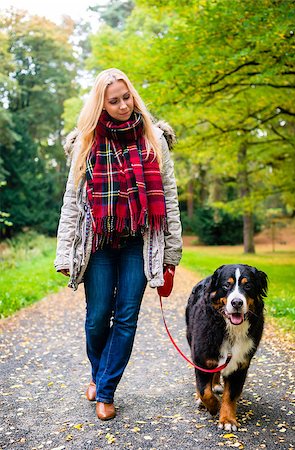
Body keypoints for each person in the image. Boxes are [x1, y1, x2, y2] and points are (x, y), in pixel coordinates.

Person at [54, 68, 182, 421]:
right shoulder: (87, 142)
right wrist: (65, 251)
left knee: (125, 317)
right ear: (101, 105)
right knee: (97, 318)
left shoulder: (153, 137)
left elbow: (168, 197)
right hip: (97, 242)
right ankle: (98, 375)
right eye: (114, 101)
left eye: (127, 97)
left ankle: (105, 390)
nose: (123, 105)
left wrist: (171, 254)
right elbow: (71, 200)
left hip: (137, 243)